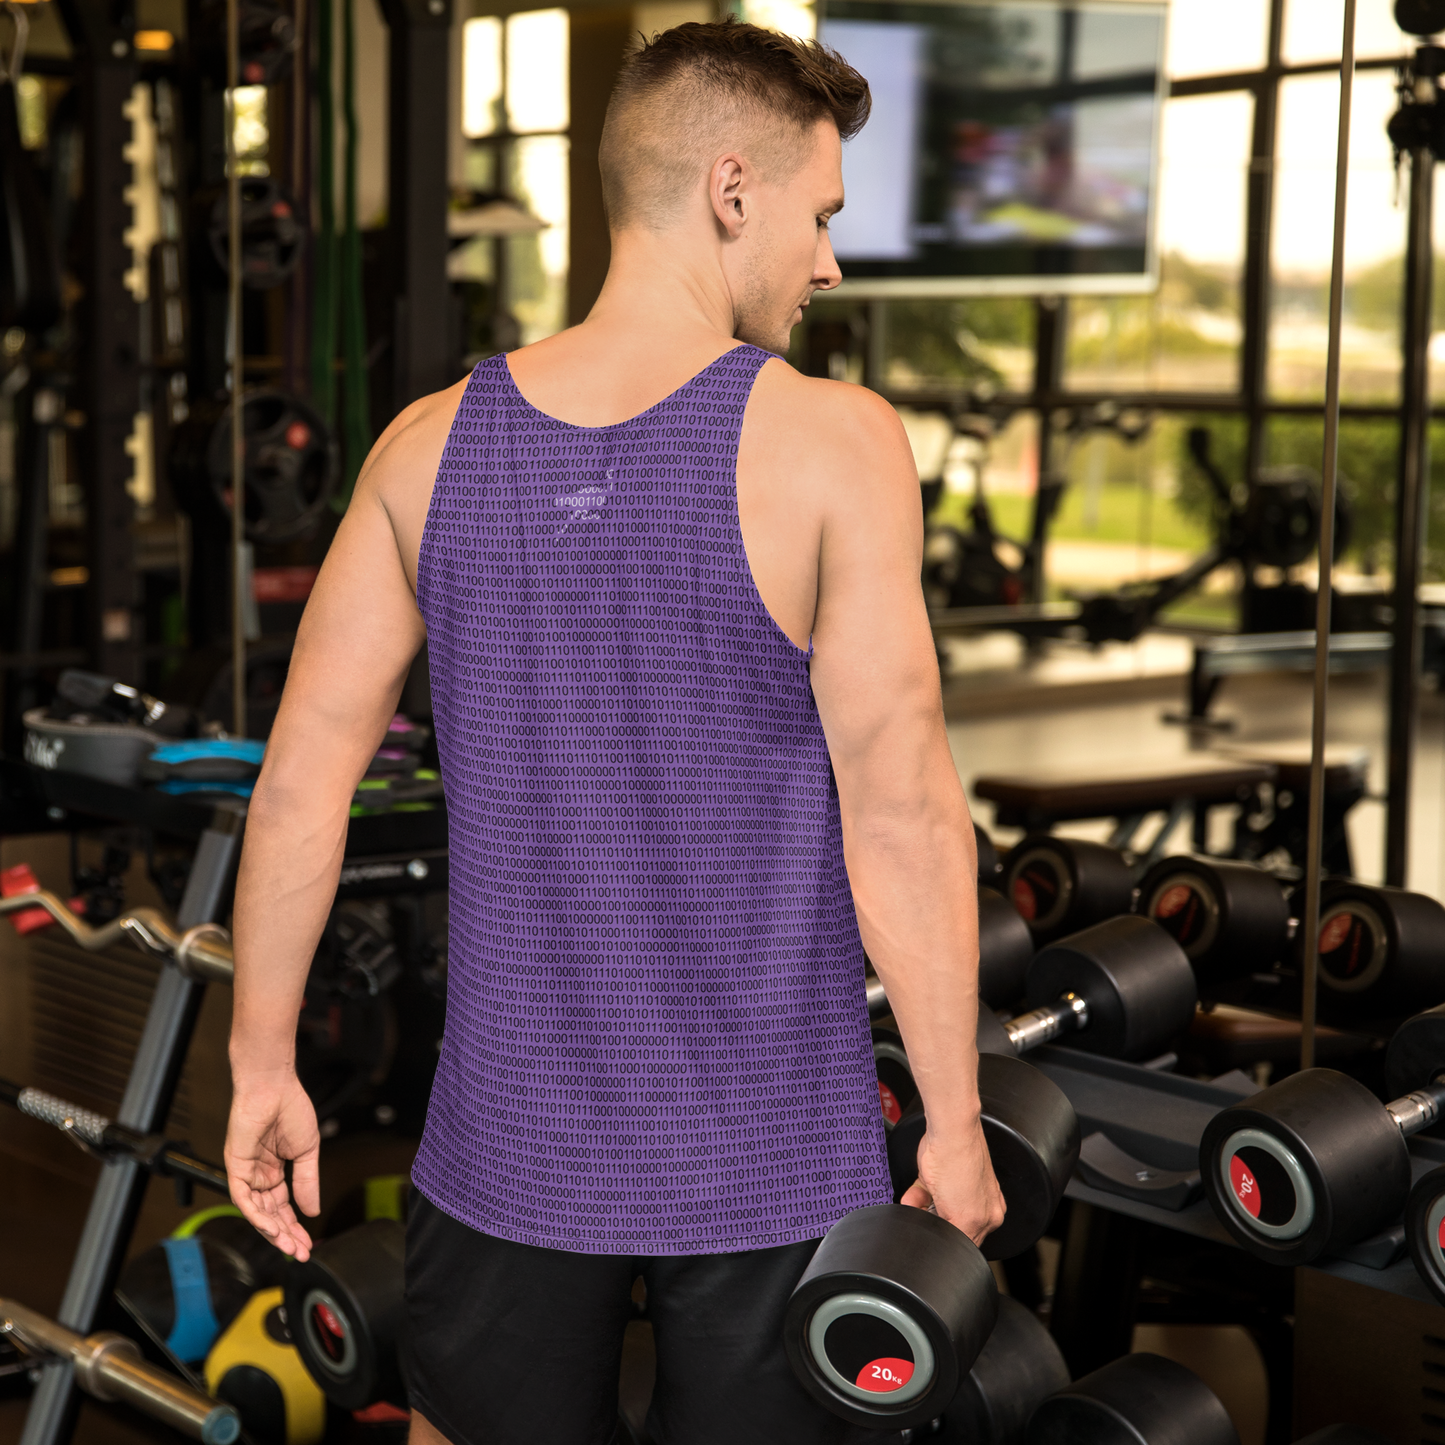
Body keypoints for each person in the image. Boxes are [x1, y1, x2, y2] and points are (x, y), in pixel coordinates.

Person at [224, 18, 1003, 1445]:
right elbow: (904, 815)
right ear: (730, 190)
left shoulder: (422, 448)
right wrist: (951, 1127)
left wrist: (262, 1065)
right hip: (774, 1163)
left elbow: (298, 788)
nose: (826, 262)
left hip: (505, 1155)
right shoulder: (839, 446)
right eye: (819, 216)